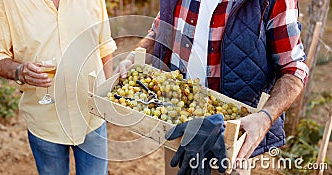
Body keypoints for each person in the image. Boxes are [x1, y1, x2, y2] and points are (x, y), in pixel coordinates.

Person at [117, 0, 308, 173]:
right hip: (177, 124)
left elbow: (294, 68)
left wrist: (265, 117)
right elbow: (161, 28)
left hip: (226, 138)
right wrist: (135, 56)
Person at [0, 0, 117, 174]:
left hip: (92, 115)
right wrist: (19, 71)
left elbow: (104, 46)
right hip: (44, 120)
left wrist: (105, 93)